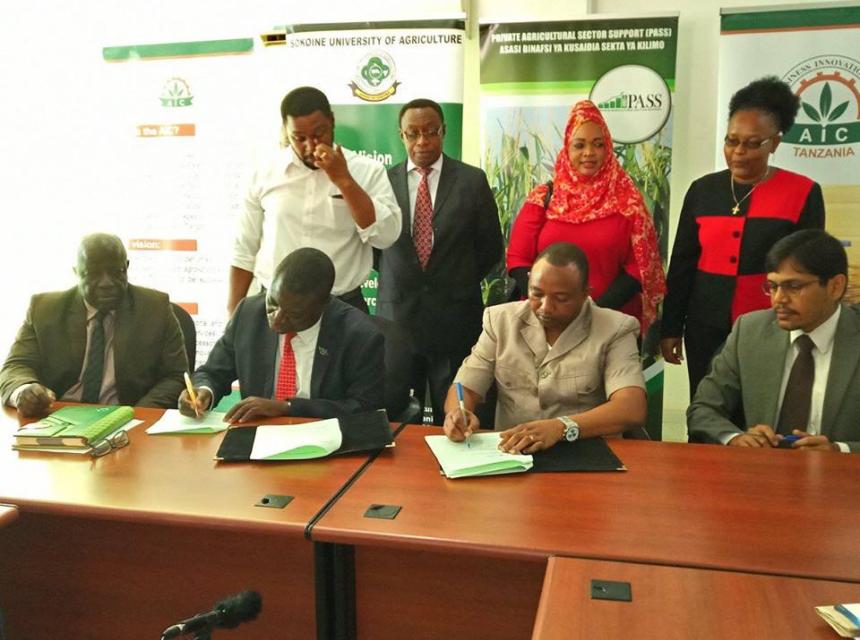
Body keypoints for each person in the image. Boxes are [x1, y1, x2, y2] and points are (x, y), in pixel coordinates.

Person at [661, 76, 825, 398]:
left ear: (774, 143)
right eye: (731, 140)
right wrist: (670, 328)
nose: (738, 152)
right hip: (704, 324)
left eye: (752, 143)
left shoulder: (803, 192)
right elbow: (682, 263)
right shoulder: (702, 191)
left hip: (771, 324)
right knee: (706, 406)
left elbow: (808, 271)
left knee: (760, 410)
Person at [443, 242, 647, 453]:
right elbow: (465, 387)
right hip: (511, 454)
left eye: (561, 298)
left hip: (586, 453)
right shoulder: (500, 321)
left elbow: (631, 408)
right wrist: (459, 413)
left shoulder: (615, 328)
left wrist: (561, 427)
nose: (546, 307)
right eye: (537, 294)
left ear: (585, 292)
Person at [377, 98, 503, 425]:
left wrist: (453, 281)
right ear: (401, 135)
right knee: (398, 421)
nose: (422, 141)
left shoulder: (471, 181)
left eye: (431, 132)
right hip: (398, 318)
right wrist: (406, 278)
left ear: (443, 132)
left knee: (458, 417)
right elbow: (374, 247)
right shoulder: (381, 183)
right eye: (413, 133)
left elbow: (490, 247)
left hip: (456, 319)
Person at [229, 86, 401, 314]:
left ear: (332, 121)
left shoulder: (367, 171)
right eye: (299, 138)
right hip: (276, 306)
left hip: (340, 307)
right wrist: (233, 315)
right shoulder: (264, 172)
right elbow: (244, 248)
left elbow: (386, 236)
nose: (310, 146)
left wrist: (345, 181)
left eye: (319, 134)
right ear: (286, 131)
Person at [688, 230, 858, 453]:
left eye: (794, 287)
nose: (779, 300)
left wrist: (840, 450)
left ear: (835, 286)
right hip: (762, 473)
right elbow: (702, 410)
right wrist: (736, 438)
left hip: (844, 480)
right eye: (773, 286)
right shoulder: (749, 331)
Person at [506, 100, 665, 333]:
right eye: (579, 145)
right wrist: (549, 304)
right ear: (567, 149)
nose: (589, 153)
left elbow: (639, 267)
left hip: (610, 325)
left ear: (608, 148)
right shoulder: (544, 198)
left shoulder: (628, 202)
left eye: (597, 145)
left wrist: (592, 312)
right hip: (544, 323)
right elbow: (518, 258)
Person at [181, 247, 384, 422]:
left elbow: (364, 408)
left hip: (326, 441)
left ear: (323, 305)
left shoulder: (358, 335)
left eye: (293, 314)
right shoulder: (249, 313)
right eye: (273, 303)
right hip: (258, 437)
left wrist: (288, 408)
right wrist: (203, 392)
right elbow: (213, 372)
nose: (276, 320)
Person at [0, 233, 187, 417]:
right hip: (57, 417)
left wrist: (137, 414)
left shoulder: (155, 308)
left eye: (116, 272)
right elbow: (16, 365)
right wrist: (23, 391)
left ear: (127, 267)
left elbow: (176, 376)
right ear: (76, 273)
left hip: (125, 420)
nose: (106, 283)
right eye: (93, 274)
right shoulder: (45, 309)